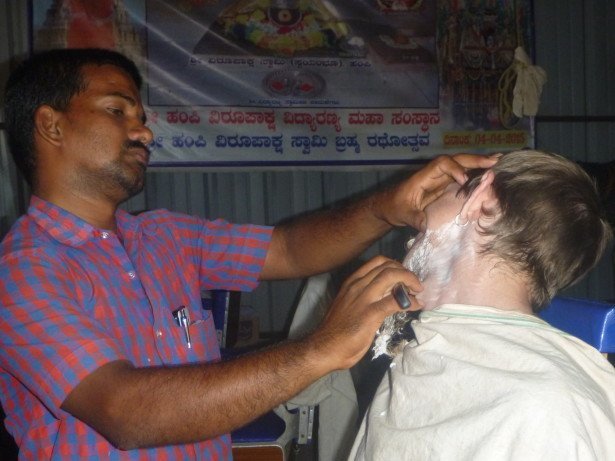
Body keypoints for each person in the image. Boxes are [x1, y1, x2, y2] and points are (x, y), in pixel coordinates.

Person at [0, 47, 496, 459]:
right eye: (117, 110)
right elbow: (126, 413)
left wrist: (386, 208)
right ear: (52, 125)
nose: (144, 131)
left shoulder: (162, 237)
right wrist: (320, 348)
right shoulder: (22, 271)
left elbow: (288, 249)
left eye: (142, 116)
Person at [350, 149, 615, 460]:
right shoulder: (427, 349)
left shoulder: (544, 412)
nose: (415, 216)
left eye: (438, 194)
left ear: (481, 199)